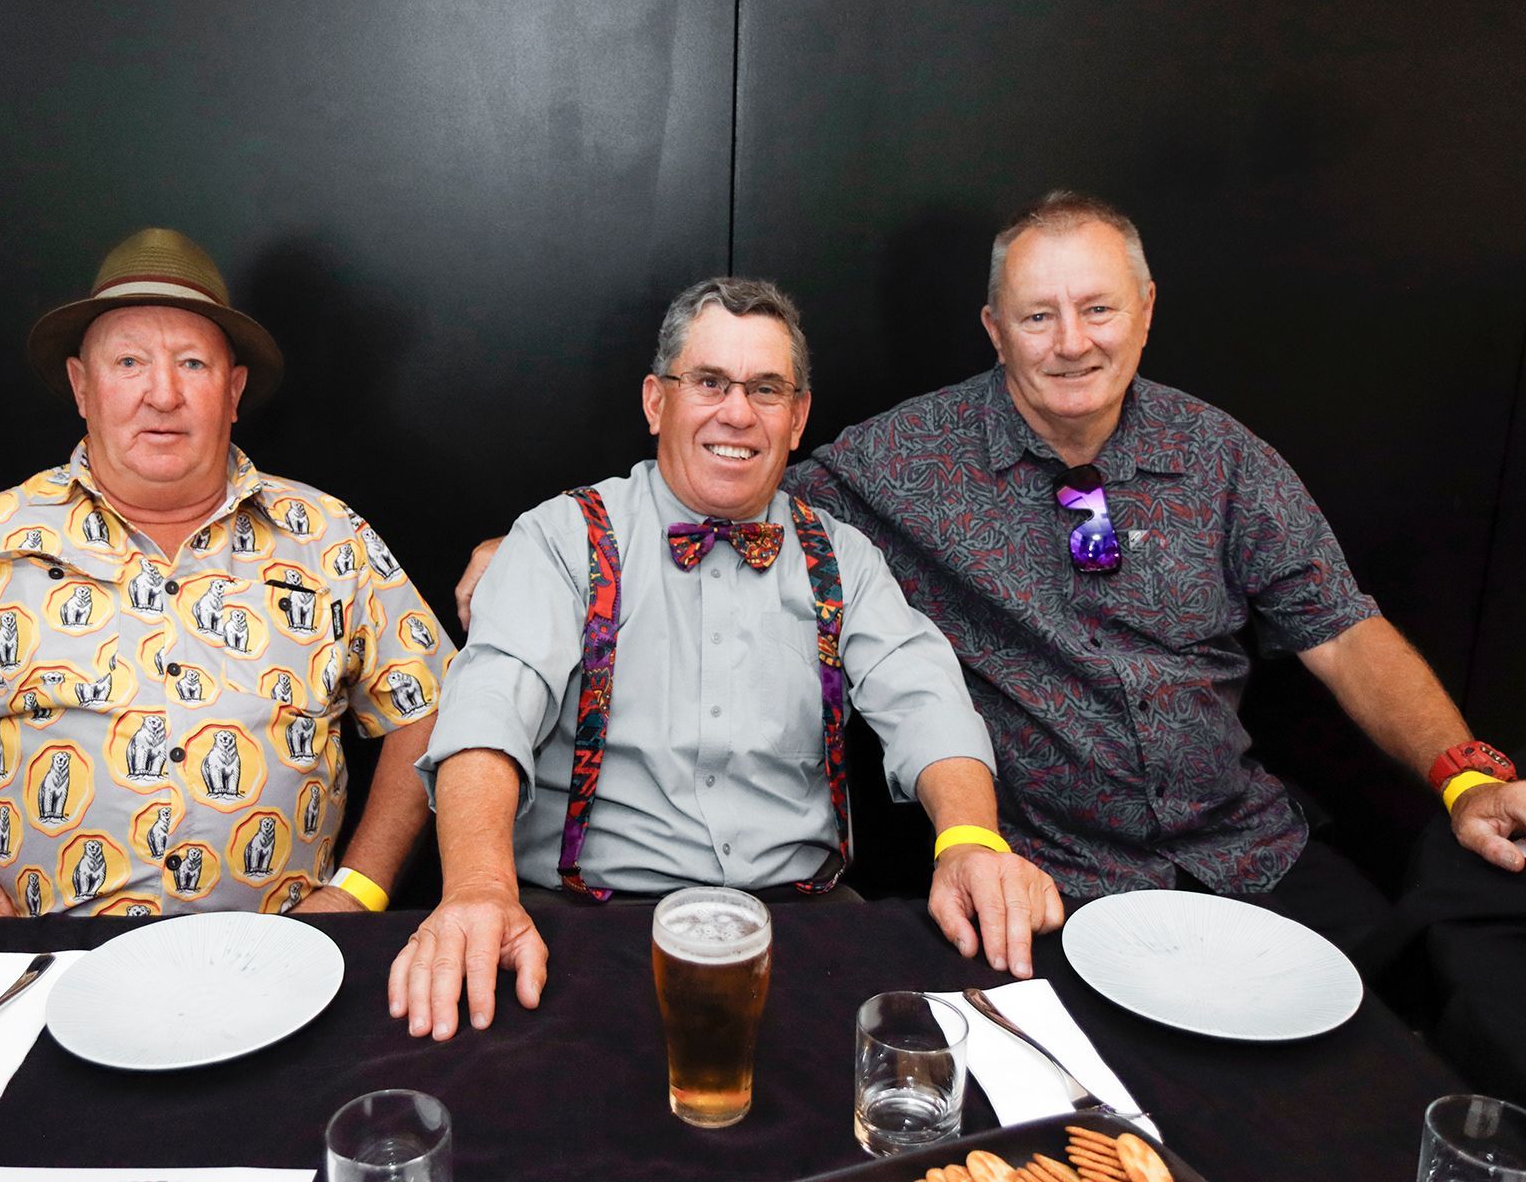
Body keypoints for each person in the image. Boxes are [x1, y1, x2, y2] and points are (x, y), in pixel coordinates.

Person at [781, 191, 1522, 943]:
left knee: (1393, 1019)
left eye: (1098, 309)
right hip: (1052, 884)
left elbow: (1342, 632)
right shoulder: (902, 460)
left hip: (1249, 854)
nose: (1072, 343)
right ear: (995, 332)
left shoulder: (1222, 457)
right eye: (1039, 317)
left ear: (1146, 311)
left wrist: (1462, 777)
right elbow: (744, 512)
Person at [390, 278, 1063, 1042]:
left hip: (805, 924)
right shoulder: (560, 536)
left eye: (766, 389)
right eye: (709, 382)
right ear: (655, 401)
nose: (737, 413)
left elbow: (926, 700)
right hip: (585, 923)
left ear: (798, 416)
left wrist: (970, 841)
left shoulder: (842, 557)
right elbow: (489, 710)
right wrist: (479, 888)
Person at [0, 228, 452, 918]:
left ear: (234, 390)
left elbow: (430, 706)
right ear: (81, 386)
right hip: (41, 973)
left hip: (280, 968)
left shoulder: (329, 536)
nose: (162, 394)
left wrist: (360, 888)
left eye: (192, 364)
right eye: (129, 362)